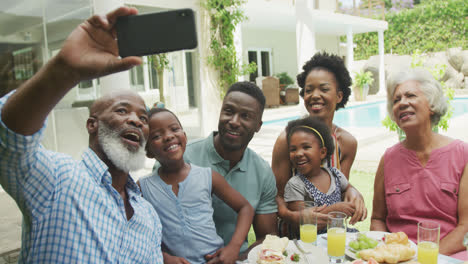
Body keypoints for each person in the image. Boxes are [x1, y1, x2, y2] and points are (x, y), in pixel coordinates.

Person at [0, 7, 163, 263]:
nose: (135, 120)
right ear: (92, 125)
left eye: (143, 118)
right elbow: (10, 139)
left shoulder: (148, 216)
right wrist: (65, 71)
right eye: (122, 110)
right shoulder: (57, 178)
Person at [371, 68, 468, 259]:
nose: (402, 103)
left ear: (431, 104)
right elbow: (377, 219)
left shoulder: (462, 154)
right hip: (398, 256)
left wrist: (424, 258)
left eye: (410, 95)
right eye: (396, 100)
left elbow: (466, 227)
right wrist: (390, 252)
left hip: (448, 255)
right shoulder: (388, 159)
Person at [138, 107, 254, 264]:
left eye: (174, 129)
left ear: (184, 137)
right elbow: (134, 232)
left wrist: (233, 247)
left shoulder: (207, 176)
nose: (168, 136)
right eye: (156, 136)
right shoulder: (143, 188)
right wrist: (163, 257)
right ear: (148, 152)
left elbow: (245, 208)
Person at [272, 52, 366, 235]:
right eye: (308, 90)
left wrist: (353, 192)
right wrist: (293, 217)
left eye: (324, 89)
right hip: (295, 237)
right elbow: (276, 196)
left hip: (330, 236)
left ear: (339, 96)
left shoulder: (346, 143)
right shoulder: (288, 140)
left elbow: (338, 187)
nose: (315, 95)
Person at [182, 81, 278, 259]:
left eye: (245, 116)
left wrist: (236, 259)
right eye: (228, 111)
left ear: (258, 125)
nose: (234, 122)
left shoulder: (262, 172)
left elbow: (267, 238)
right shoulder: (184, 159)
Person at [284, 116, 362, 235]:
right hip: (312, 243)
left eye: (306, 147)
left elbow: (348, 188)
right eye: (293, 149)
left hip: (338, 236)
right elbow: (301, 224)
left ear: (322, 152)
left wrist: (354, 196)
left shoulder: (335, 174)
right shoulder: (295, 184)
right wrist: (335, 210)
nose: (298, 153)